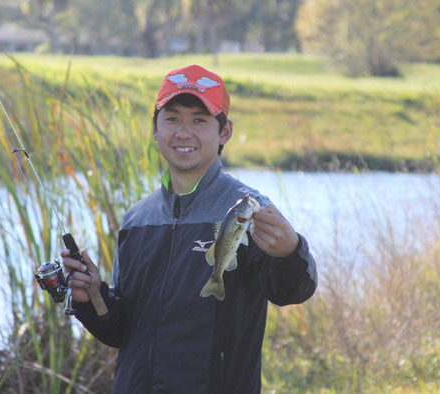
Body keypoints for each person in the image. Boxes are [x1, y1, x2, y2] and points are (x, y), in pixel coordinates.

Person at [61, 64, 317, 393]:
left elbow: (291, 292)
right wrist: (91, 298)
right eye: (172, 119)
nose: (183, 132)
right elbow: (121, 331)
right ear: (155, 128)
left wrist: (291, 253)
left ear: (224, 132)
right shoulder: (137, 219)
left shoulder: (252, 208)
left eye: (199, 120)